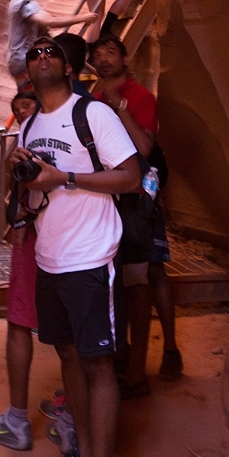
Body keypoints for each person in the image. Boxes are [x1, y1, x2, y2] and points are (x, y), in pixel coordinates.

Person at [9, 36, 139, 457]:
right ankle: (83, 455)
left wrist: (63, 178)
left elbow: (129, 175)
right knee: (67, 356)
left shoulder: (94, 115)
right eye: (33, 54)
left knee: (98, 364)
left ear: (67, 66)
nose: (41, 57)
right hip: (50, 255)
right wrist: (24, 175)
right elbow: (36, 184)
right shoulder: (30, 122)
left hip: (89, 255)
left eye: (49, 52)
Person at [0, 91, 74, 455]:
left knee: (58, 330)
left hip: (58, 236)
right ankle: (66, 421)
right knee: (29, 320)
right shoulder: (37, 129)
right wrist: (17, 214)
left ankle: (59, 422)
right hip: (41, 232)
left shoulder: (78, 122)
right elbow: (21, 181)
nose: (23, 114)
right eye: (17, 111)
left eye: (27, 107)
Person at [89, 34, 182, 392]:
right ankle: (124, 353)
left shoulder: (139, 97)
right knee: (121, 277)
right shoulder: (94, 101)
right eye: (97, 55)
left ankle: (164, 352)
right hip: (110, 197)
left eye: (110, 52)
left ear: (124, 59)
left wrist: (121, 108)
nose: (103, 59)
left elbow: (145, 147)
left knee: (146, 274)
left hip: (140, 199)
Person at [6, 0, 94, 90]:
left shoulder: (14, 3)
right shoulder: (26, 3)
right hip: (25, 59)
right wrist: (83, 18)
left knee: (29, 95)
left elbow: (39, 29)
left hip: (16, 60)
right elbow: (49, 21)